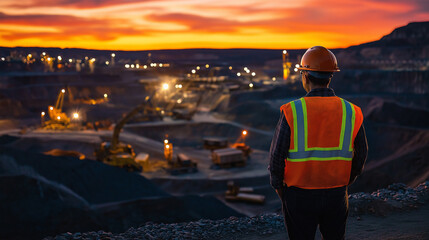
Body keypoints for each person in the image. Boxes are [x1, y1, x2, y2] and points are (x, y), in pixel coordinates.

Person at [268, 46, 368, 240]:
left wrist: (281, 189)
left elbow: (276, 158)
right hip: (336, 194)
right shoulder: (351, 111)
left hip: (299, 195)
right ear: (331, 76)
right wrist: (345, 182)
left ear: (305, 75)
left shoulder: (292, 111)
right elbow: (361, 154)